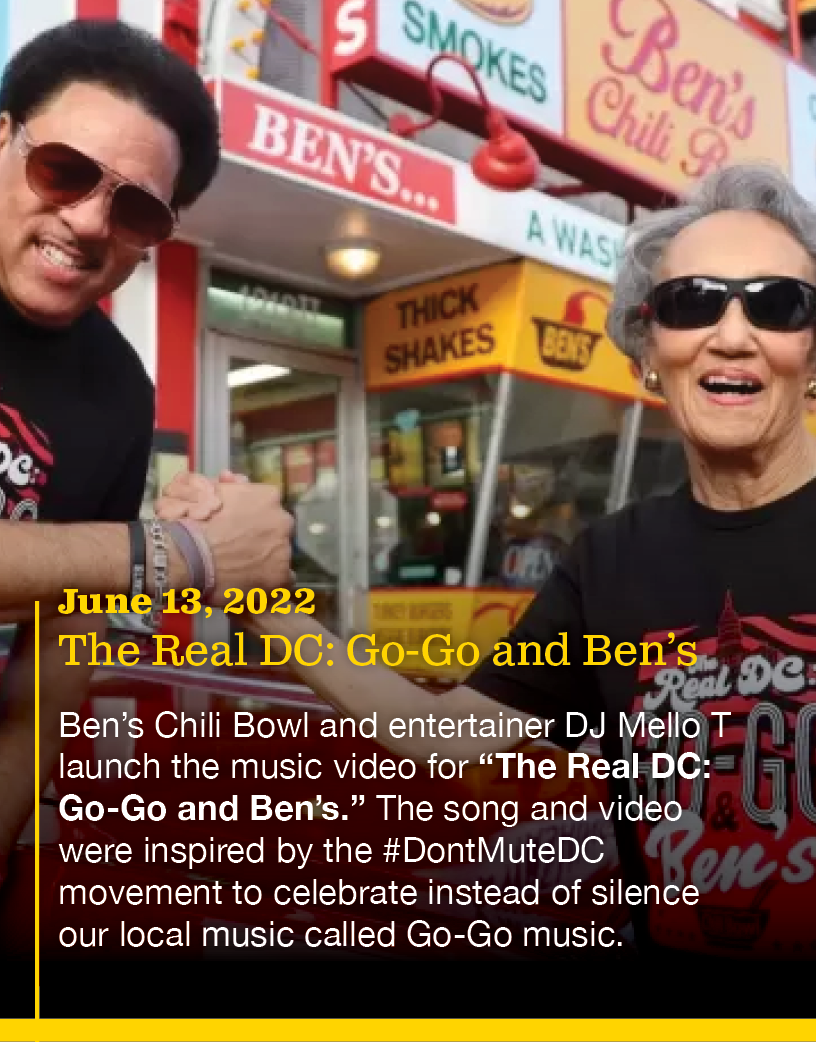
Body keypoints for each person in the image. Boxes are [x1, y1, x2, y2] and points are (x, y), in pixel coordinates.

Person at [162, 162, 816, 963]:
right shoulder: (609, 559)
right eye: (694, 303)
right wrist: (261, 596)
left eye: (777, 305)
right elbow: (445, 735)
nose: (733, 332)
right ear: (648, 350)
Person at [0, 20, 293, 911]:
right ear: (4, 140)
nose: (86, 221)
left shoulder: (118, 387)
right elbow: (136, 563)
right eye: (64, 170)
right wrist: (184, 555)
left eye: (135, 209)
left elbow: (58, 647)